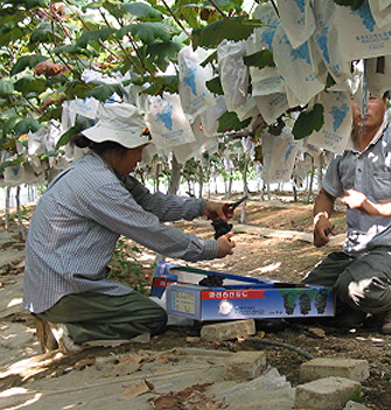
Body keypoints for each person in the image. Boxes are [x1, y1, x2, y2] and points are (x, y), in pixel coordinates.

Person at [23, 102, 236, 353]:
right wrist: (212, 249)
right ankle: (73, 330)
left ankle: (72, 320)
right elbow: (150, 231)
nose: (141, 159)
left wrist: (203, 206)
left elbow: (150, 203)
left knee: (140, 308)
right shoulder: (100, 185)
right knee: (151, 317)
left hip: (57, 283)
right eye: (138, 151)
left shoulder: (98, 172)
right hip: (63, 290)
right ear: (118, 150)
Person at [303, 92, 391, 334]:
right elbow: (326, 195)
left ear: (386, 102)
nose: (362, 106)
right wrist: (320, 220)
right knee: (308, 298)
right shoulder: (343, 148)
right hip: (357, 254)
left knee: (354, 287)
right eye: (354, 98)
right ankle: (358, 310)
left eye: (371, 98)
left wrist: (376, 208)